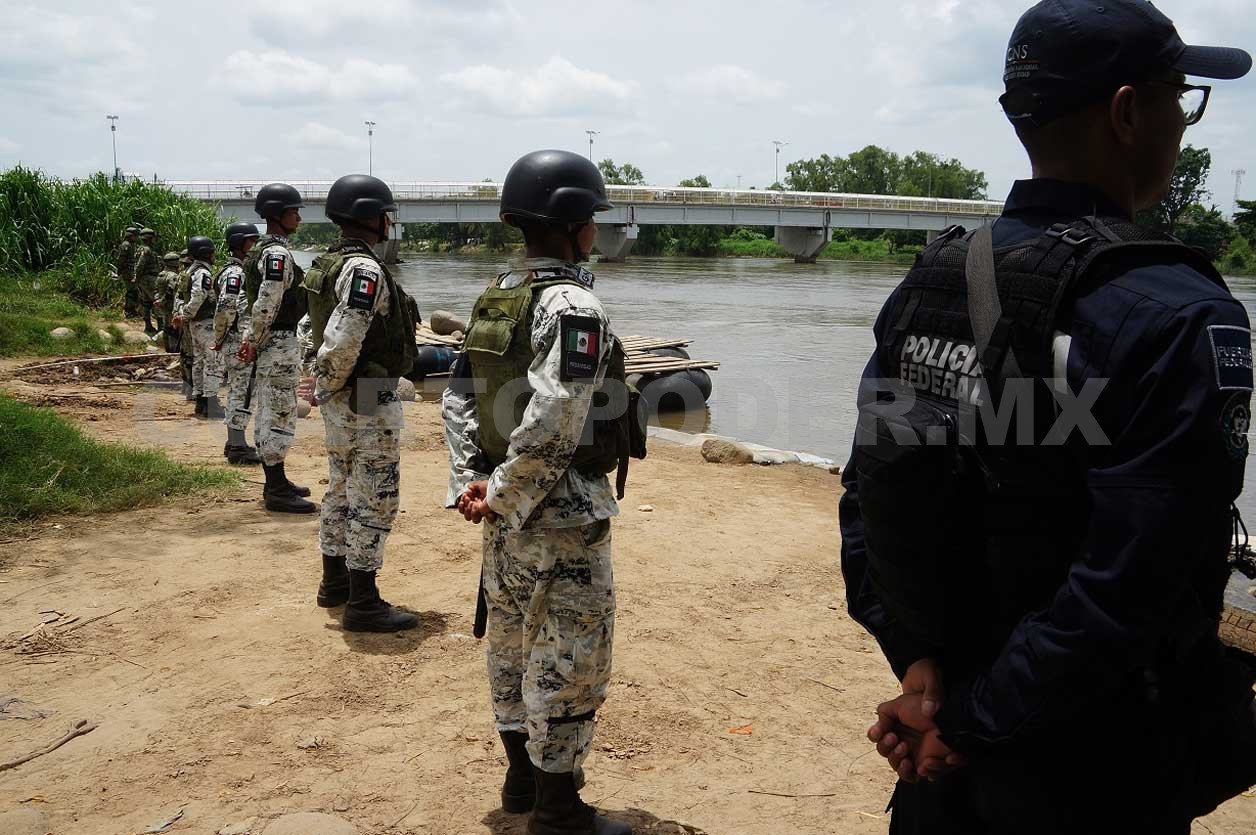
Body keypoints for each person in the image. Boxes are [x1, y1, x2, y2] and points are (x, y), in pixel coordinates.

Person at [840, 2, 1256, 833]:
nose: (1185, 123)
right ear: (1129, 112)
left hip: (941, 772)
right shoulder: (1177, 312)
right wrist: (968, 721)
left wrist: (922, 672)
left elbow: (870, 503)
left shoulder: (931, 282)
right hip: (1098, 768)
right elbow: (1134, 581)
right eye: (1184, 97)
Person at [442, 149, 639, 835]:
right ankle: (558, 808)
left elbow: (460, 398)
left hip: (504, 512)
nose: (595, 229)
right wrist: (495, 489)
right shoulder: (575, 306)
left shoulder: (496, 294)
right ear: (571, 223)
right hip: (559, 515)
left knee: (509, 639)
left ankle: (521, 780)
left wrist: (474, 482)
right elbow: (557, 417)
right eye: (591, 217)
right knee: (570, 651)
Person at [302, 174, 419, 632]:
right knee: (374, 493)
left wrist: (321, 384)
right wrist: (327, 383)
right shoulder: (365, 270)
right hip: (364, 394)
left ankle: (335, 583)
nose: (389, 221)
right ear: (371, 216)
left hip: (342, 394)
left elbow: (315, 332)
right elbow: (347, 335)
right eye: (385, 214)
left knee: (342, 485)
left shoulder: (326, 265)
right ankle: (364, 601)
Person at [237, 183, 315, 514]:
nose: (298, 216)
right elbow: (268, 301)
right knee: (279, 413)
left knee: (271, 411)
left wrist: (250, 338)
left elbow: (250, 301)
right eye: (294, 211)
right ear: (278, 214)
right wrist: (252, 341)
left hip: (273, 341)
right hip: (278, 342)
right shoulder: (276, 254)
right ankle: (277, 490)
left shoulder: (263, 250)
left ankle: (277, 482)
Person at [214, 222, 262, 466]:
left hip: (235, 339)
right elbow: (225, 307)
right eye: (252, 241)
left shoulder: (239, 270)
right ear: (241, 243)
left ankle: (235, 440)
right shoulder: (236, 273)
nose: (256, 246)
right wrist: (220, 336)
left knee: (238, 390)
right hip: (238, 340)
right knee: (242, 393)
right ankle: (237, 446)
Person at [173, 236, 218, 419]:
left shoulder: (188, 272)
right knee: (211, 362)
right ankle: (211, 403)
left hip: (194, 324)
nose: (215, 255)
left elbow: (180, 297)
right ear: (205, 254)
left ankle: (200, 402)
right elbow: (199, 296)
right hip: (205, 322)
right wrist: (186, 315)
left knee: (199, 362)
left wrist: (183, 315)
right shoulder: (203, 273)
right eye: (212, 252)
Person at [131, 228, 160, 335]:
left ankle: (148, 326)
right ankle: (161, 328)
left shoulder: (142, 249)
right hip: (149, 279)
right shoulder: (147, 250)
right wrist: (137, 277)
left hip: (145, 279)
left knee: (146, 303)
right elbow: (140, 265)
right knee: (157, 302)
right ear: (149, 238)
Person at [154, 251, 182, 353]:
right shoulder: (173, 276)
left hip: (163, 305)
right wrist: (163, 301)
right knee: (172, 328)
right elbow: (171, 290)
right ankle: (173, 350)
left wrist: (158, 300)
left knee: (166, 327)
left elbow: (156, 290)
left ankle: (168, 348)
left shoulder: (161, 274)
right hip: (170, 305)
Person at [114, 226, 139, 317]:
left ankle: (131, 309)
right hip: (127, 271)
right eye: (134, 236)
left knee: (133, 290)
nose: (136, 237)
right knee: (131, 291)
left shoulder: (131, 245)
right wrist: (120, 270)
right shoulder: (126, 245)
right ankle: (129, 310)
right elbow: (121, 259)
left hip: (131, 270)